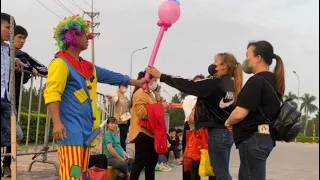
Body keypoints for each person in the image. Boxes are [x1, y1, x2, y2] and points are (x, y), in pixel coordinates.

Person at [43, 15, 147, 180]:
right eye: (84, 34)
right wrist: (57, 122)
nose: (89, 37)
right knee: (72, 174)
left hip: (85, 132)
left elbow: (112, 76)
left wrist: (138, 82)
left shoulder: (86, 66)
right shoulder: (60, 63)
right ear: (72, 35)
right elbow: (52, 93)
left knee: (81, 173)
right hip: (70, 132)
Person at [146, 52, 243, 180]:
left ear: (223, 66)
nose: (213, 65)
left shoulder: (215, 82)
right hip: (226, 133)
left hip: (217, 132)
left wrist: (162, 76)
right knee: (221, 171)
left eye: (216, 63)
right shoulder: (231, 83)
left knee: (221, 173)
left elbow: (189, 84)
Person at [225, 41, 284, 180]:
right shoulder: (275, 81)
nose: (245, 59)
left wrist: (228, 121)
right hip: (265, 138)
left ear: (258, 58)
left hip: (253, 139)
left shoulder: (256, 81)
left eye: (248, 55)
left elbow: (240, 113)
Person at [2, 25, 38, 177]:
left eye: (24, 38)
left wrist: (28, 69)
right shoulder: (9, 52)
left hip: (11, 98)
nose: (22, 41)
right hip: (5, 97)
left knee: (14, 134)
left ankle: (7, 164)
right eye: (19, 37)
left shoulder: (20, 55)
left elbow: (35, 69)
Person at [1, 12, 25, 177]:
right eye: (7, 27)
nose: (10, 32)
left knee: (17, 135)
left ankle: (7, 164)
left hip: (5, 99)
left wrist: (15, 60)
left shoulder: (7, 50)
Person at [129, 71, 162, 180]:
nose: (155, 83)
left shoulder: (150, 94)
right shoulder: (140, 93)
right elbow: (142, 113)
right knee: (139, 164)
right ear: (147, 80)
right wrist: (156, 110)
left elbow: (158, 112)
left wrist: (158, 100)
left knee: (151, 165)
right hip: (142, 133)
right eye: (154, 80)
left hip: (151, 134)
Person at [181, 74, 205, 180]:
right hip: (191, 129)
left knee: (201, 160)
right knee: (190, 160)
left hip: (202, 130)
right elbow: (189, 117)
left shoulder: (205, 97)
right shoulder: (189, 98)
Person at [107, 85, 131, 151]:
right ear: (119, 86)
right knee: (121, 138)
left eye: (126, 86)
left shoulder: (124, 96)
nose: (125, 88)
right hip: (121, 120)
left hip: (126, 119)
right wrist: (110, 97)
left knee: (124, 137)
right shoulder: (116, 94)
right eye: (124, 86)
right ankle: (122, 152)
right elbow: (113, 99)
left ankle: (123, 152)